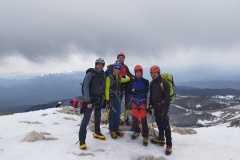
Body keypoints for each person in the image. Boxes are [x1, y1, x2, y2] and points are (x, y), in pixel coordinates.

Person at [79, 58, 106, 150]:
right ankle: (82, 140)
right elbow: (86, 87)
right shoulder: (90, 74)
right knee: (86, 119)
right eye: (98, 64)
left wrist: (103, 96)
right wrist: (88, 101)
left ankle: (97, 132)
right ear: (95, 65)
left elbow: (102, 86)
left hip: (98, 99)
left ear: (103, 66)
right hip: (89, 100)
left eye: (101, 65)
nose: (100, 66)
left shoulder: (102, 75)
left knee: (97, 117)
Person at [148, 65, 172, 155]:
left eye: (155, 73)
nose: (154, 74)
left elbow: (167, 98)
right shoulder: (152, 83)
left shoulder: (164, 83)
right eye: (152, 73)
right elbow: (151, 96)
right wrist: (150, 106)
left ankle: (169, 145)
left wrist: (165, 111)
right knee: (159, 123)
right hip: (156, 107)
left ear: (158, 73)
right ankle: (161, 139)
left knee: (166, 126)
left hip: (163, 107)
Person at [105, 62, 130, 139]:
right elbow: (106, 89)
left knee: (117, 113)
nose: (117, 69)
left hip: (118, 98)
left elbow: (124, 80)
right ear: (113, 68)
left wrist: (131, 78)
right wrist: (107, 100)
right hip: (111, 98)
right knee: (112, 114)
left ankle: (116, 128)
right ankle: (112, 129)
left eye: (119, 68)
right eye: (116, 68)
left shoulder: (119, 77)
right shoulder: (109, 77)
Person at [129, 65, 149, 146]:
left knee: (143, 119)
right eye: (137, 72)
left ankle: (145, 135)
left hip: (142, 103)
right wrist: (136, 91)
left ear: (141, 73)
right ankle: (137, 131)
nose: (138, 73)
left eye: (139, 72)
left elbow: (145, 92)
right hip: (134, 102)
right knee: (135, 118)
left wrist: (135, 91)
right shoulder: (132, 82)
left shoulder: (145, 81)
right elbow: (130, 92)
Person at [116, 52, 134, 125]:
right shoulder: (114, 66)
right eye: (119, 57)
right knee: (117, 103)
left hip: (123, 87)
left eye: (122, 57)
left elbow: (129, 75)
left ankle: (126, 118)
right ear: (117, 58)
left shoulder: (125, 67)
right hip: (116, 87)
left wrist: (136, 78)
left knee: (125, 102)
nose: (121, 59)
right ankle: (117, 119)